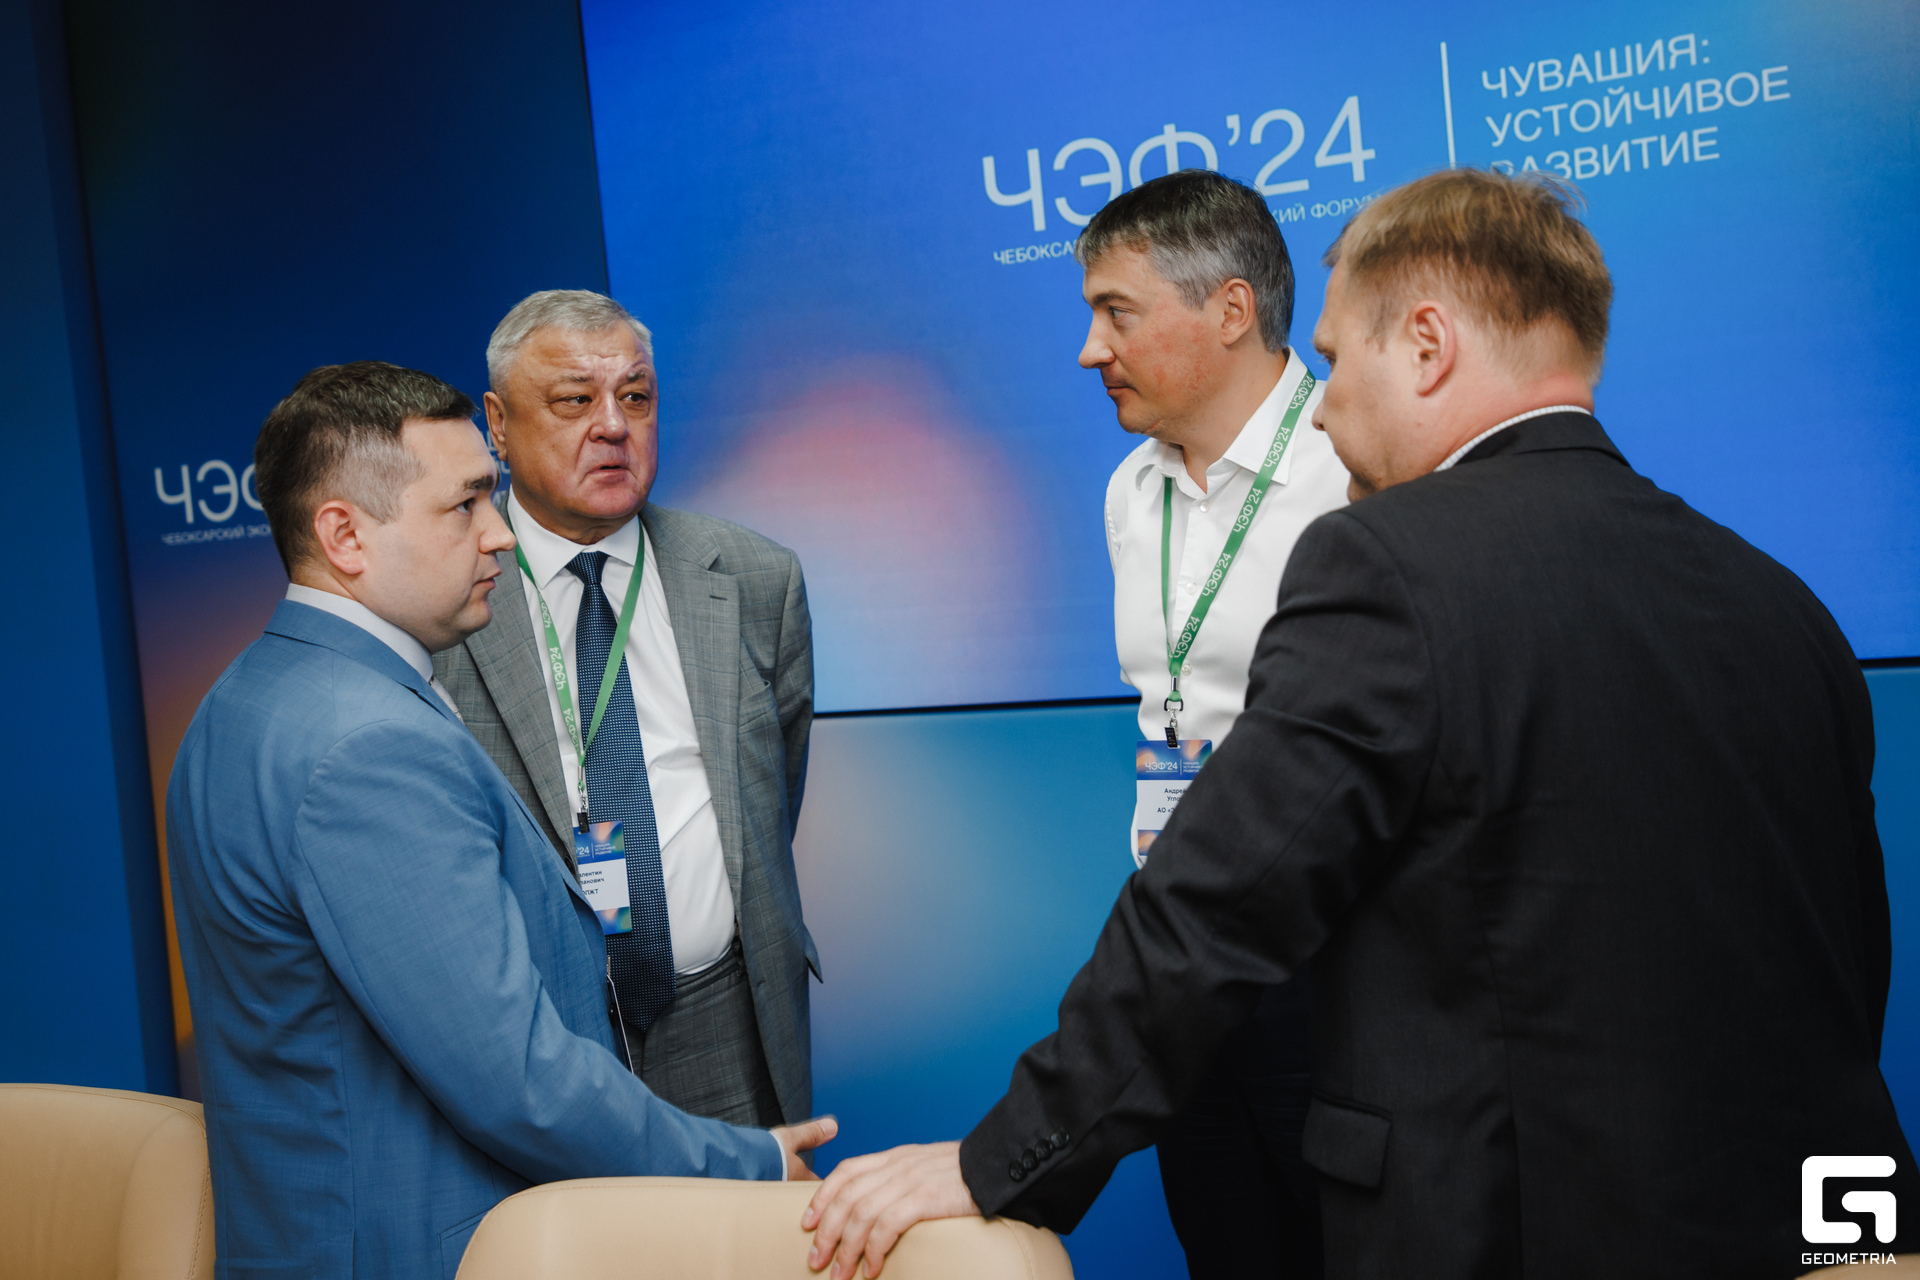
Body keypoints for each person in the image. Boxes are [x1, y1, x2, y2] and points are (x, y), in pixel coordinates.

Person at [799, 169, 1916, 1278]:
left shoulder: (1383, 563)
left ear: (1426, 346)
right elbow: (1841, 969)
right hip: (1820, 1223)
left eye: (1333, 362)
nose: (1322, 407)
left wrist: (1007, 1155)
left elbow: (1220, 896)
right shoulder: (1785, 607)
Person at [167, 362, 832, 1280]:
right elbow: (517, 1080)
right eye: (465, 505)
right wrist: (747, 1163)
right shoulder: (368, 748)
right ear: (345, 536)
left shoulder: (246, 698)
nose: (500, 536)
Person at [434, 290, 818, 1132]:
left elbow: (770, 797)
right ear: (497, 425)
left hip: (726, 1023)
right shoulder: (441, 597)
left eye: (635, 397)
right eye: (575, 401)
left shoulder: (755, 578)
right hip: (531, 1044)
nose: (613, 425)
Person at [1083, 170, 1347, 1278]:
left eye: (1117, 313)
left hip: (1330, 956)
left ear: (1231, 310)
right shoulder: (1127, 490)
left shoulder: (1352, 463)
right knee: (1224, 1237)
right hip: (1180, 946)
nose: (1091, 350)